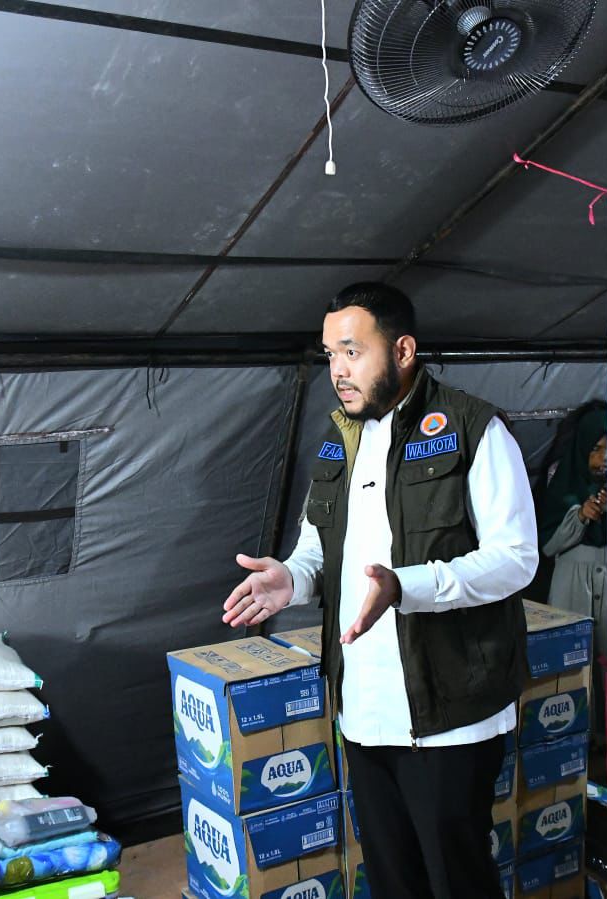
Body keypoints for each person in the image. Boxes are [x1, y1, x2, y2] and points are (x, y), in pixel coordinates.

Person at [222, 283, 537, 898]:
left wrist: (406, 586)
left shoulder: (472, 428)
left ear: (403, 351)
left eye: (352, 351)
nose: (338, 371)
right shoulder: (340, 437)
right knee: (393, 881)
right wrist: (292, 577)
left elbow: (515, 559)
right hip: (364, 711)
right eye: (329, 355)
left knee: (457, 882)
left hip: (449, 715)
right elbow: (319, 548)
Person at [539, 401, 607, 797]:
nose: (603, 459)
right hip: (573, 582)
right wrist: (581, 515)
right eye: (595, 449)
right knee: (574, 675)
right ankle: (571, 770)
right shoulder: (561, 486)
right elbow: (548, 546)